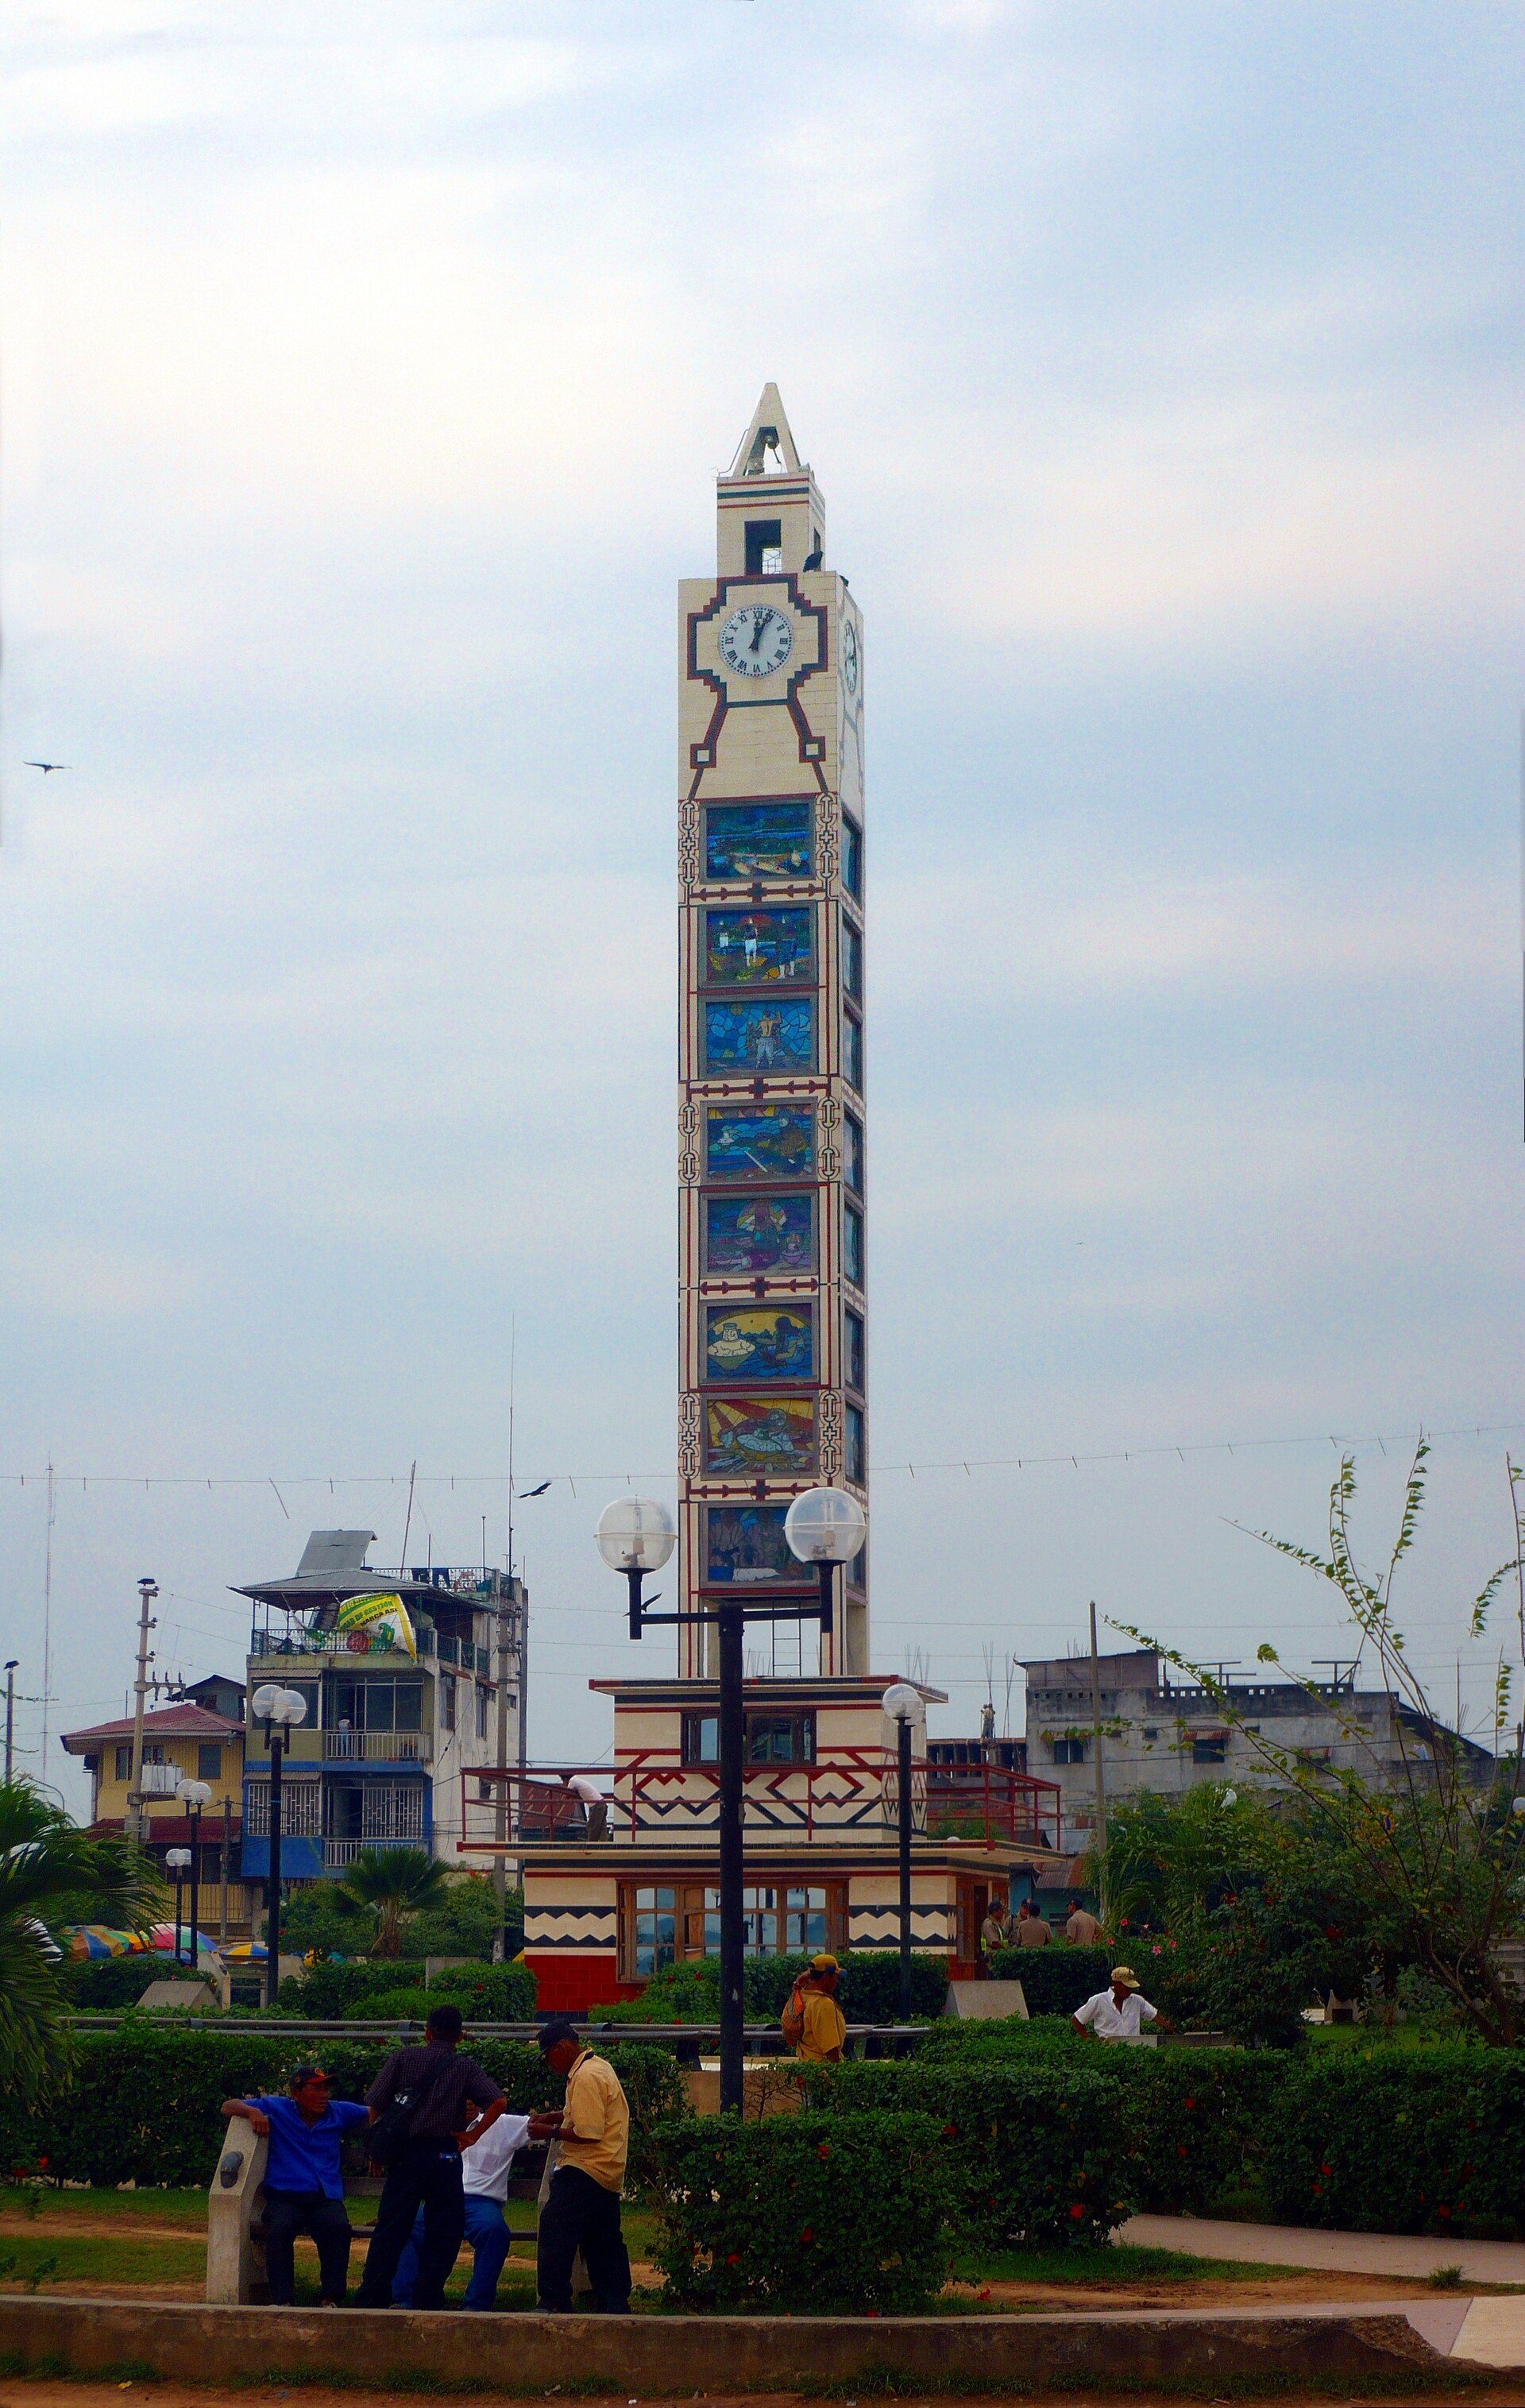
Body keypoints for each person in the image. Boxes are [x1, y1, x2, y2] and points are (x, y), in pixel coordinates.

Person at [354, 2002, 506, 2310]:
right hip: (443, 2156)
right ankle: (429, 2294)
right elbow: (498, 2101)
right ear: (459, 2037)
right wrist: (471, 2136)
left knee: (391, 2228)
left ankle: (372, 2295)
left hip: (405, 2156)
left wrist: (378, 2146)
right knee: (445, 2231)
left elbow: (376, 2104)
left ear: (427, 2033)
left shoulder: (403, 2057)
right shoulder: (462, 2066)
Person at [221, 2064, 369, 2306]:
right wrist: (250, 2111)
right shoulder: (277, 2108)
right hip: (284, 2196)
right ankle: (283, 2300)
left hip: (324, 2197)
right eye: (315, 2089)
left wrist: (378, 2146)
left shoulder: (339, 2112)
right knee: (279, 2229)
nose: (324, 2095)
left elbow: (373, 2112)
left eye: (326, 2089)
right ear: (296, 2093)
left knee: (337, 2228)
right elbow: (228, 2106)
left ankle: (331, 2299)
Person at [530, 2019, 632, 2314]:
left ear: (562, 2048)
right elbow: (581, 2114)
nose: (549, 2063)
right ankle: (614, 2302)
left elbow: (588, 2132)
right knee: (603, 2238)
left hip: (586, 2166)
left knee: (555, 2226)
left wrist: (547, 2133)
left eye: (549, 2055)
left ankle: (554, 2299)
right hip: (608, 2170)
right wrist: (553, 2117)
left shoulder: (585, 2077)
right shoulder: (596, 2067)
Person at [391, 2107, 531, 2311]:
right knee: (408, 2224)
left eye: (472, 2096)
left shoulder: (503, 2124)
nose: (467, 2103)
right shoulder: (437, 2125)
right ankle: (404, 2299)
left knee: (495, 2231)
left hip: (481, 2202)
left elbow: (541, 2125)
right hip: (441, 2198)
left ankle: (476, 2305)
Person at [781, 1953, 847, 2062]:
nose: (837, 1981)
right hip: (822, 2070)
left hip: (806, 2065)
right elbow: (831, 2049)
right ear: (826, 1977)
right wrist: (838, 2075)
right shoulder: (823, 2004)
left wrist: (807, 1974)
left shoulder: (802, 1996)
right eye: (836, 1977)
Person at [1071, 1964, 1160, 2042]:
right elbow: (1077, 2019)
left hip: (1134, 2049)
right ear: (1116, 1984)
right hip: (1108, 2050)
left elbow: (1155, 2016)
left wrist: (1169, 2029)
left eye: (1131, 1988)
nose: (1130, 1990)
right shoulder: (1099, 2000)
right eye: (1126, 1987)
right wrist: (1090, 2040)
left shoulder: (1137, 2000)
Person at [978, 1900, 1012, 1975]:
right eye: (1001, 1910)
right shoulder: (988, 1924)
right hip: (991, 1957)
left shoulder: (997, 1924)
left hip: (998, 1956)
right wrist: (1007, 1950)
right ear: (994, 1912)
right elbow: (994, 1942)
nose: (1003, 1913)